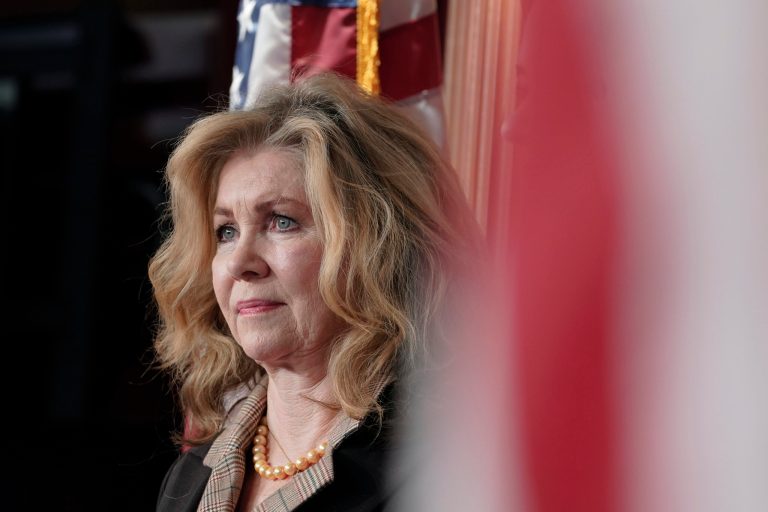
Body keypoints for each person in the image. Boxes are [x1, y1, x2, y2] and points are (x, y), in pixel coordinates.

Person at [149, 72, 481, 512]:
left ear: (378, 246)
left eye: (281, 222)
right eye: (225, 231)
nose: (240, 262)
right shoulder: (190, 478)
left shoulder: (441, 469)